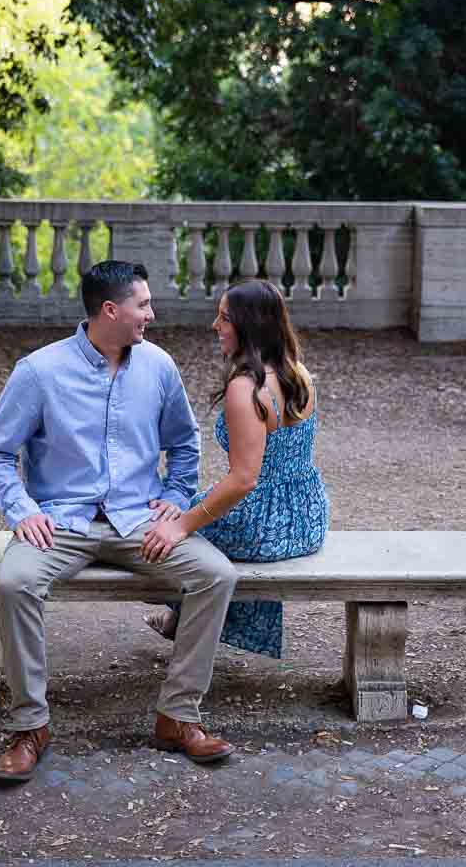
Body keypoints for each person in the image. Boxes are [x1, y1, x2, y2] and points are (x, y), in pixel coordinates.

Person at [0, 260, 238, 783]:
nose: (151, 313)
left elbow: (184, 445)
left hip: (139, 521)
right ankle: (31, 727)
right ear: (110, 310)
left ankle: (178, 717)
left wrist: (175, 496)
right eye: (143, 304)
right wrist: (23, 511)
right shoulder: (39, 372)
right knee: (14, 582)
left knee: (217, 574)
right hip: (59, 521)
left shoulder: (159, 366)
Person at [142, 279, 329, 658]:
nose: (215, 325)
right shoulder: (299, 373)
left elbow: (244, 480)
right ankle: (179, 619)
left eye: (224, 318)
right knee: (189, 511)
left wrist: (179, 525)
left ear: (250, 325)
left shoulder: (247, 388)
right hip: (308, 515)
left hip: (264, 524)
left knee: (157, 530)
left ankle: (190, 626)